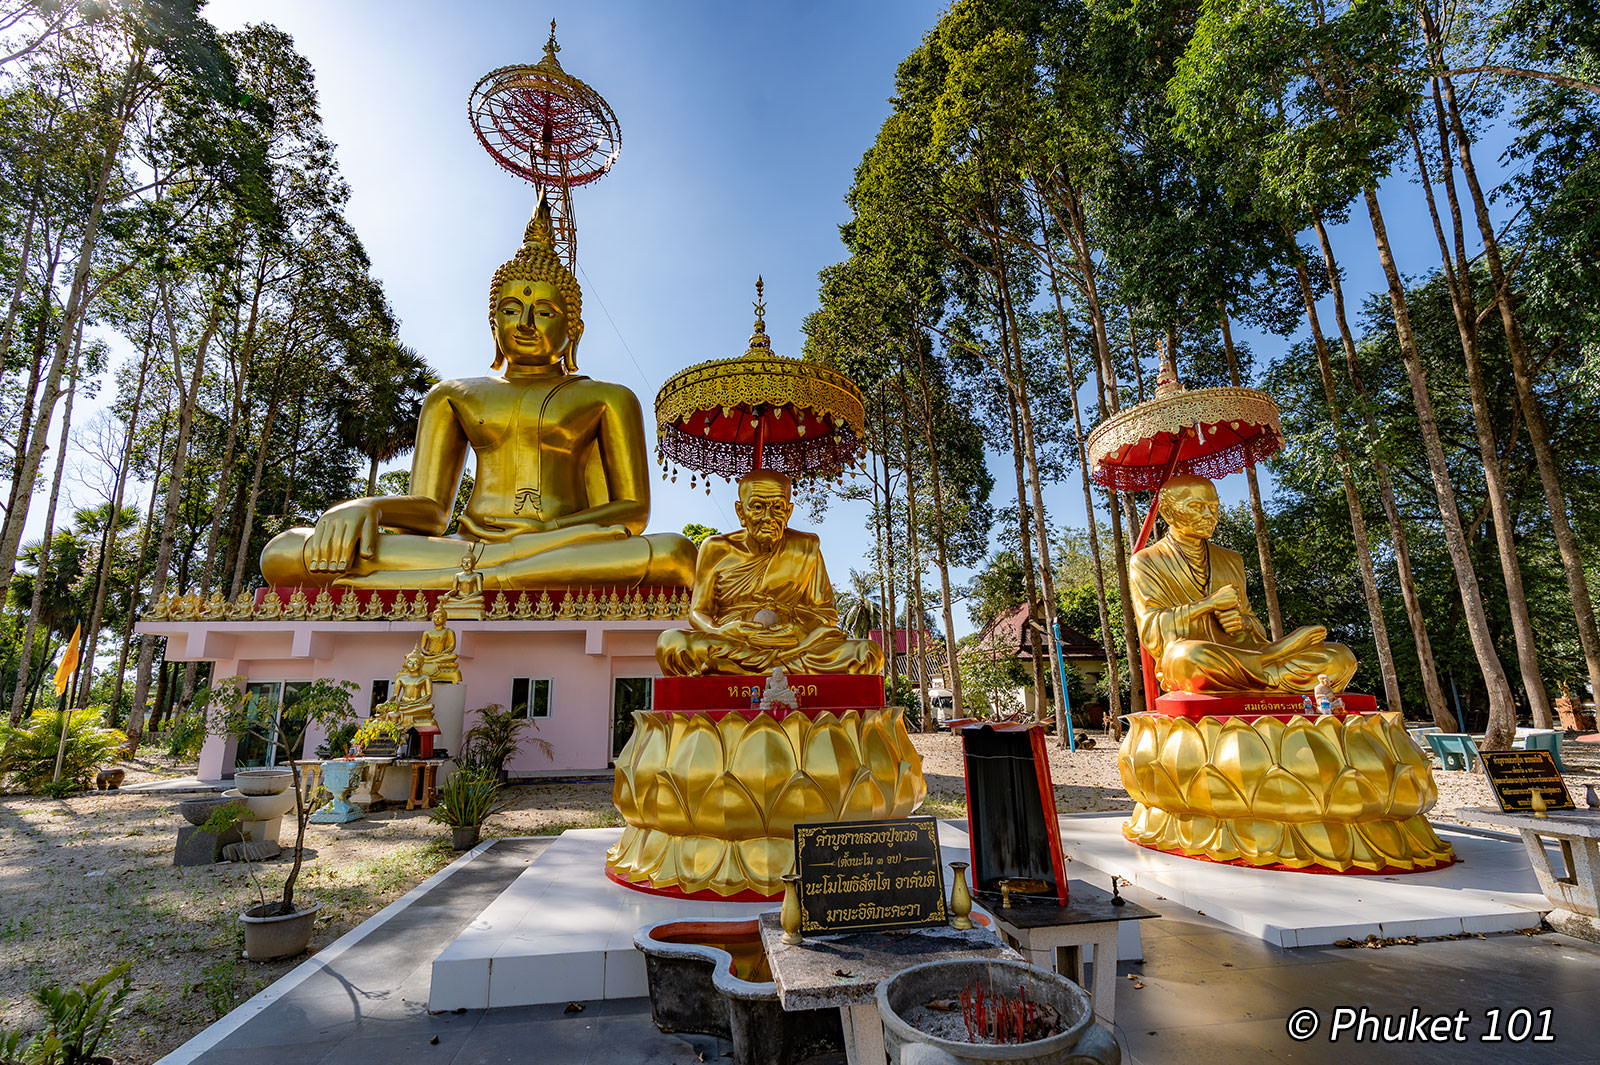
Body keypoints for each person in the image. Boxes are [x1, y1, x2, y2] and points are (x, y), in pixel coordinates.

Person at [259, 195, 694, 591]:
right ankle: (495, 570)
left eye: (543, 311)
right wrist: (368, 506)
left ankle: (487, 573)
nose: (524, 323)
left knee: (676, 553)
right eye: (510, 310)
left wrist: (547, 532)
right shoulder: (453, 394)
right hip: (466, 546)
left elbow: (633, 511)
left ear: (573, 330)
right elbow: (432, 512)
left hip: (562, 544)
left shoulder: (607, 397)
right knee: (284, 551)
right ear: (493, 325)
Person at [1130, 475, 1356, 694]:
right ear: (1168, 512)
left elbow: (1251, 622)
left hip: (1237, 657)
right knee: (1184, 659)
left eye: (1214, 507)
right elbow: (1152, 630)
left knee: (1341, 657)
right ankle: (1272, 664)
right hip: (1199, 659)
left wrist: (1244, 622)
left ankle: (1265, 671)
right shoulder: (1147, 561)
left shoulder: (1230, 559)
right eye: (1197, 506)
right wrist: (1208, 605)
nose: (1210, 515)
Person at [657, 470, 883, 676]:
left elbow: (825, 614)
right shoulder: (715, 549)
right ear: (740, 511)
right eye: (757, 507)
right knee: (670, 644)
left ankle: (737, 670)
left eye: (778, 507)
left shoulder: (806, 546)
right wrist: (721, 630)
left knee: (867, 654)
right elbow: (698, 613)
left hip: (792, 643)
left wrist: (799, 630)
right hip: (734, 640)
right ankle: (776, 671)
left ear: (789, 511)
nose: (768, 517)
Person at [416, 607, 463, 684]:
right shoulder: (427, 632)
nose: (437, 619)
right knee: (416, 657)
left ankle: (430, 662)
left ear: (445, 619)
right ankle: (431, 661)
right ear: (432, 618)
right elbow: (422, 647)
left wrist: (443, 652)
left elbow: (452, 646)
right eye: (435, 617)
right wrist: (426, 653)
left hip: (442, 655)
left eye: (440, 617)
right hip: (429, 655)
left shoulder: (449, 631)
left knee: (453, 656)